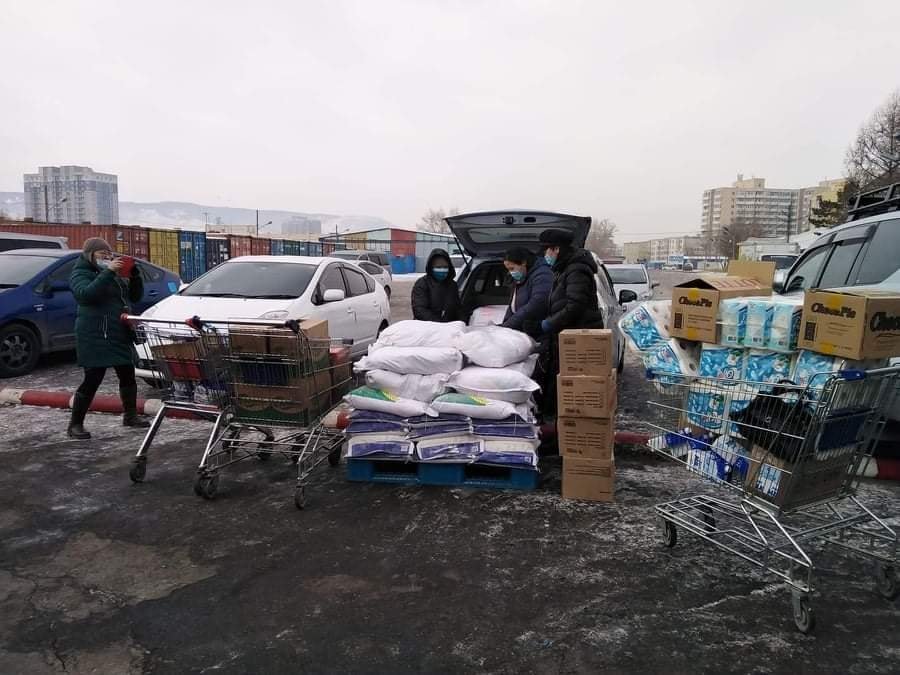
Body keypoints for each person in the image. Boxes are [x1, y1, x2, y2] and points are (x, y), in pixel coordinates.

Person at [67, 238, 150, 439]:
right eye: (101, 253)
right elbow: (85, 295)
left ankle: (130, 416)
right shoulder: (80, 273)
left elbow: (134, 297)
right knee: (93, 378)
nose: (106, 257)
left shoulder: (112, 274)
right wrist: (109, 272)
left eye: (108, 253)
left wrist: (135, 276)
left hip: (118, 331)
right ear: (90, 254)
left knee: (127, 374)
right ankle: (75, 424)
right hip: (95, 334)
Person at [532, 228, 605, 417]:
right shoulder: (564, 268)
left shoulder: (576, 269)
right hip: (567, 335)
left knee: (574, 389)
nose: (545, 255)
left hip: (578, 337)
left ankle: (566, 423)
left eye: (546, 250)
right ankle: (558, 420)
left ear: (556, 249)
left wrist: (549, 323)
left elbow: (575, 305)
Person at [500, 247, 552, 331]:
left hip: (537, 329)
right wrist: (505, 325)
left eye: (512, 268)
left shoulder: (542, 275)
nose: (510, 273)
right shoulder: (521, 277)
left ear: (524, 262)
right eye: (508, 269)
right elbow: (512, 305)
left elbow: (536, 304)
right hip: (523, 327)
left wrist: (509, 325)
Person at [411, 248, 461, 323]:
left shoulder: (452, 285)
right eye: (438, 267)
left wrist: (462, 321)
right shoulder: (422, 284)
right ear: (431, 268)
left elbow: (457, 308)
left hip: (449, 327)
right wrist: (439, 323)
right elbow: (419, 310)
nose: (442, 270)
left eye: (445, 267)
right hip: (426, 326)